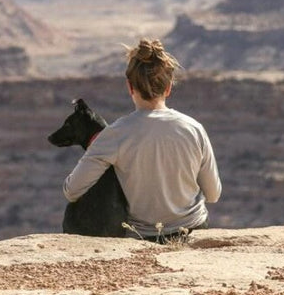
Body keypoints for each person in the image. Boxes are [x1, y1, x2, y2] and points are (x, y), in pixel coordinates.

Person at [63, 39, 222, 242]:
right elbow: (213, 194)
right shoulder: (194, 128)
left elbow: (71, 190)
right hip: (193, 230)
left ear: (130, 87)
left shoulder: (115, 134)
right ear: (168, 88)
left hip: (144, 237)